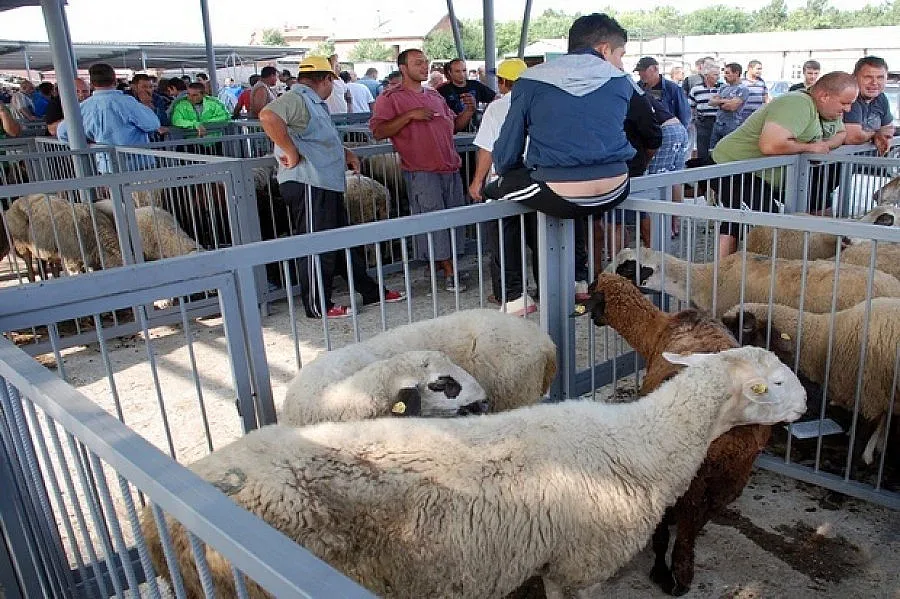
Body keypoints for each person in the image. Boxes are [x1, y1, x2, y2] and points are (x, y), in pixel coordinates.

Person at [486, 13, 635, 298]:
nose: (621, 62)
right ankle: (578, 280)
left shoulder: (531, 80)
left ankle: (512, 295)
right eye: (621, 55)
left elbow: (506, 152)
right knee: (575, 207)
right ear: (604, 49)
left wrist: (512, 173)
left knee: (495, 196)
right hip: (618, 187)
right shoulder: (622, 80)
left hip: (557, 192)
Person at [258, 56, 405, 319]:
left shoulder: (314, 103)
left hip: (324, 182)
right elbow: (268, 116)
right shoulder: (299, 97)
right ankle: (317, 306)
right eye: (331, 82)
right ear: (325, 79)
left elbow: (318, 138)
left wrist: (345, 152)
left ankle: (370, 291)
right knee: (318, 244)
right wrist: (290, 151)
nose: (332, 87)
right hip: (309, 183)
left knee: (341, 240)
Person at [708, 72, 856, 256]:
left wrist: (823, 146)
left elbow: (841, 134)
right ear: (825, 96)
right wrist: (810, 147)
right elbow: (770, 144)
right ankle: (721, 274)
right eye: (845, 103)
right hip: (732, 166)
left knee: (761, 218)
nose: (848, 109)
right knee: (758, 219)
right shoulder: (797, 103)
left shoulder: (827, 111)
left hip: (761, 174)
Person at [370, 48, 475, 292]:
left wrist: (468, 112)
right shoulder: (390, 97)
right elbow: (378, 131)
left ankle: (440, 264)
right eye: (418, 63)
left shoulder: (434, 95)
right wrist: (409, 116)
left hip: (449, 167)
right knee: (434, 218)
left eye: (426, 62)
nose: (424, 66)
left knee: (453, 220)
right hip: (422, 171)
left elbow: (453, 128)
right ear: (403, 68)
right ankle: (449, 271)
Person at [467, 58, 533, 314]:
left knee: (504, 241)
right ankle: (547, 287)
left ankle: (512, 297)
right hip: (536, 181)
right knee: (539, 238)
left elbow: (488, 148)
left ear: (504, 83)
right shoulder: (539, 104)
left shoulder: (497, 108)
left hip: (504, 183)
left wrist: (477, 182)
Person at [57, 63, 161, 173]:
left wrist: (88, 146)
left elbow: (62, 133)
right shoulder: (127, 102)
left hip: (107, 167)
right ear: (115, 81)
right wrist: (146, 105)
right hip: (139, 166)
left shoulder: (83, 107)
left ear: (92, 84)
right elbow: (153, 124)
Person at [844, 56, 894, 156]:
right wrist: (875, 135)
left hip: (868, 166)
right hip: (841, 166)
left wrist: (881, 135)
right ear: (854, 77)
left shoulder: (881, 98)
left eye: (880, 77)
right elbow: (853, 137)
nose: (874, 83)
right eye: (868, 77)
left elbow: (888, 128)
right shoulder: (850, 98)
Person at [437, 58, 497, 131]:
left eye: (464, 70)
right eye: (457, 71)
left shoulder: (475, 85)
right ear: (450, 72)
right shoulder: (442, 90)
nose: (462, 74)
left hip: (474, 129)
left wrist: (487, 112)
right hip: (453, 130)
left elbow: (496, 98)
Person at [635, 56, 691, 129]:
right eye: (639, 71)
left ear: (655, 69)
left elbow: (684, 115)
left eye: (643, 70)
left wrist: (680, 134)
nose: (640, 74)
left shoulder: (673, 88)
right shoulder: (636, 88)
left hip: (666, 132)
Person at [708, 63, 749, 150]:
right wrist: (725, 101)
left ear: (736, 73)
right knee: (713, 151)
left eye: (727, 73)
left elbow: (732, 107)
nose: (725, 76)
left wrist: (719, 102)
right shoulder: (723, 87)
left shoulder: (742, 89)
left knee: (728, 150)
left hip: (731, 126)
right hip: (718, 124)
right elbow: (711, 102)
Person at [688, 62, 722, 163]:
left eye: (718, 74)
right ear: (706, 76)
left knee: (717, 149)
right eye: (715, 74)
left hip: (718, 122)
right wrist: (692, 122)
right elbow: (691, 107)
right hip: (702, 122)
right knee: (702, 149)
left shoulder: (722, 88)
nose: (718, 77)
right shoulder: (696, 89)